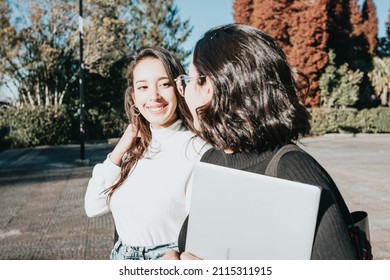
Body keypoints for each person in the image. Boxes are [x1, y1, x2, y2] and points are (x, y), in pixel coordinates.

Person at [164, 24, 357, 260]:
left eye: (191, 80)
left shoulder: (294, 171)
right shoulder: (211, 160)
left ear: (216, 87)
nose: (184, 92)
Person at [85, 46, 209, 260]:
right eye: (143, 87)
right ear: (133, 96)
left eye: (164, 84)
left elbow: (202, 235)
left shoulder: (198, 149)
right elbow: (93, 206)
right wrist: (119, 149)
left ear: (179, 88)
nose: (154, 96)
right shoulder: (133, 148)